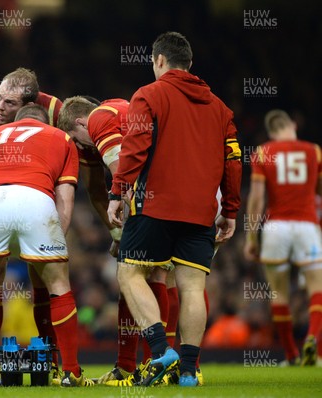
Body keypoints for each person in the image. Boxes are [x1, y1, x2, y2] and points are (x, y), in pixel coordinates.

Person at [107, 31, 242, 387]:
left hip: (154, 206)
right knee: (192, 286)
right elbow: (233, 162)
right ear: (190, 64)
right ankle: (187, 371)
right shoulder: (221, 109)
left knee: (129, 274)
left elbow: (134, 148)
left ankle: (160, 350)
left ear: (159, 61)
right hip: (200, 212)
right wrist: (229, 210)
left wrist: (117, 192)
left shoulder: (148, 95)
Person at [0, 104, 93, 387]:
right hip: (34, 198)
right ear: (46, 121)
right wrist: (53, 245)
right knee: (58, 286)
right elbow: (65, 198)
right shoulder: (60, 138)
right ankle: (71, 372)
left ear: (15, 121)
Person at [0, 68, 64, 387]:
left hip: (17, 195)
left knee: (35, 276)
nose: (0, 107)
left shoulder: (53, 111)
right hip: (2, 196)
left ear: (29, 105)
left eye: (9, 102)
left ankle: (53, 363)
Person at [59, 95, 173, 384]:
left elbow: (120, 170)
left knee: (140, 273)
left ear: (80, 122)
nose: (81, 147)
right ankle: (155, 365)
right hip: (174, 186)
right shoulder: (122, 110)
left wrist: (123, 218)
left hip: (151, 195)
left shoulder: (100, 120)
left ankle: (152, 362)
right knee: (156, 275)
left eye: (76, 139)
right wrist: (118, 233)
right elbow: (96, 188)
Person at [244, 109, 322, 366]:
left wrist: (251, 238)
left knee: (279, 293)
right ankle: (312, 340)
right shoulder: (314, 151)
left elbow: (256, 198)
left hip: (276, 227)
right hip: (307, 225)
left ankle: (291, 355)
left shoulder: (263, 152)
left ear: (271, 132)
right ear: (291, 126)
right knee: (317, 289)